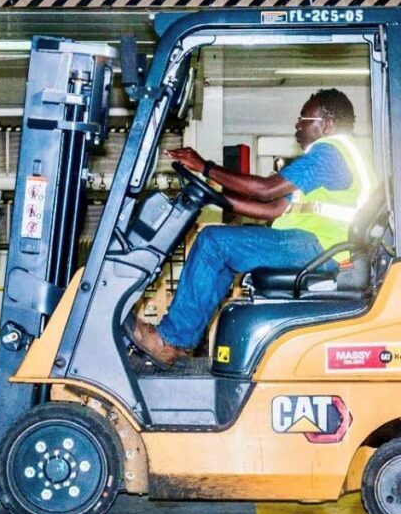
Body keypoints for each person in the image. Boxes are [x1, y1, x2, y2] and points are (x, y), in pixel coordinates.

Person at [131, 88, 375, 365]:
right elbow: (273, 209)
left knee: (213, 241)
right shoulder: (340, 157)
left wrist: (205, 167)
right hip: (316, 245)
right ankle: (181, 342)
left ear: (327, 123)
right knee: (220, 248)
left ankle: (171, 340)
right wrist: (215, 198)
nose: (297, 124)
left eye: (303, 118)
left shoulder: (329, 153)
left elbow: (264, 190)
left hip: (320, 249)